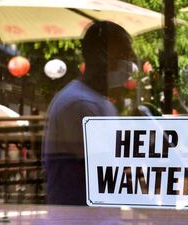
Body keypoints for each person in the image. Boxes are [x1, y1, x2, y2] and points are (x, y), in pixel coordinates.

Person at [42, 21, 136, 205]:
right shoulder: (79, 104)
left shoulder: (98, 101)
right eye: (124, 54)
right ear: (99, 55)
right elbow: (106, 172)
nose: (129, 62)